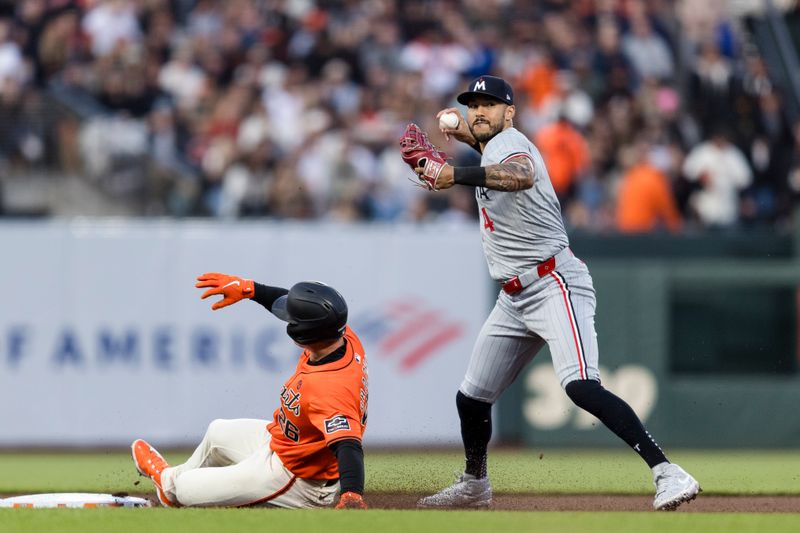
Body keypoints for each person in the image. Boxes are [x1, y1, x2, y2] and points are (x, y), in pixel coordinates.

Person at [403, 75, 700, 511]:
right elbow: (485, 148)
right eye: (473, 104)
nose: (480, 110)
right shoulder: (490, 144)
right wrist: (458, 133)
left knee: (581, 386)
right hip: (514, 296)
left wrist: (452, 171)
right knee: (471, 398)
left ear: (511, 113)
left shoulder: (512, 143)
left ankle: (668, 471)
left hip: (553, 283)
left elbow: (519, 175)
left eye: (490, 104)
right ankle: (474, 484)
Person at [131, 273, 369, 510]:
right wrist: (251, 290)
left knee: (186, 488)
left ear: (303, 333)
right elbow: (292, 305)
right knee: (218, 432)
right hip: (283, 442)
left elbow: (348, 445)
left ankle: (180, 489)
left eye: (293, 320)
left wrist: (352, 494)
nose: (287, 317)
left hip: (297, 478)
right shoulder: (339, 335)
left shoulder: (330, 387)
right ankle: (167, 483)